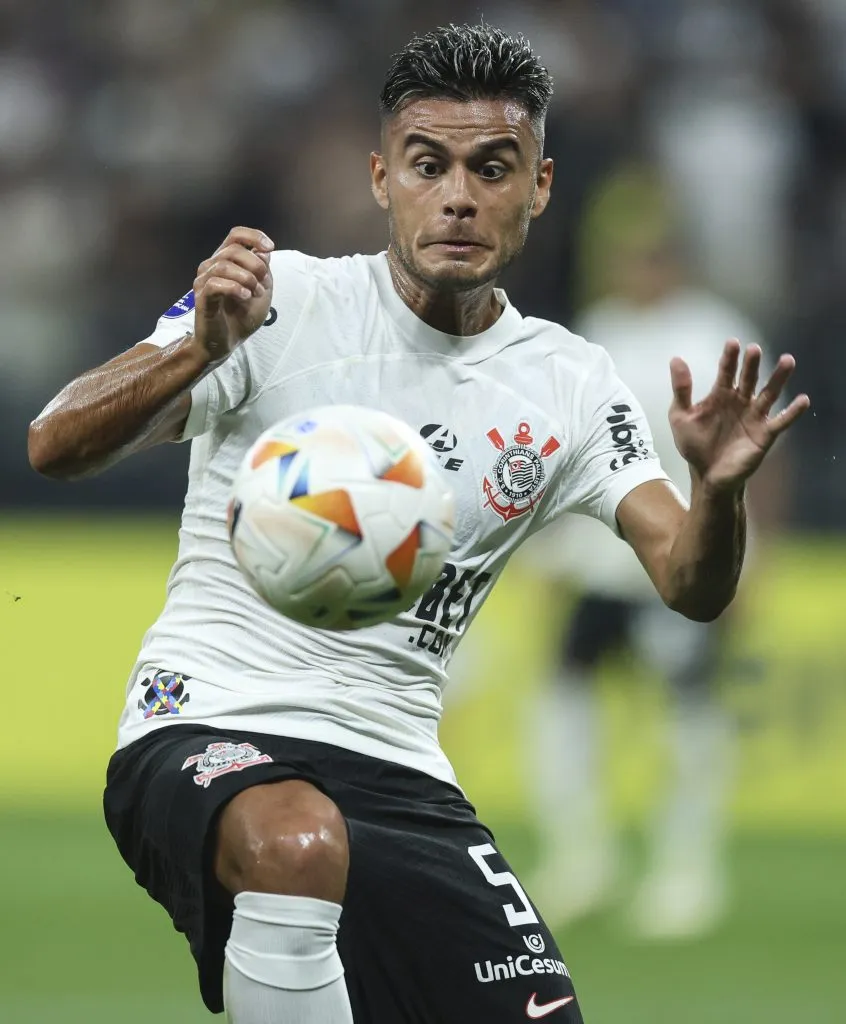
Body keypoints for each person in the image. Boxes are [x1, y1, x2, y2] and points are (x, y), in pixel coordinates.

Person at [28, 24, 808, 1024]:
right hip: (206, 722)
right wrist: (194, 354)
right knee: (295, 843)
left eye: (493, 168)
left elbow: (691, 586)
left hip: (395, 766)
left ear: (540, 187)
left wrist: (721, 490)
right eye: (428, 164)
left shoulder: (571, 382)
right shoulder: (283, 302)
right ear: (380, 178)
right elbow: (55, 443)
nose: (459, 196)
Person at [522, 193, 777, 939]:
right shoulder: (595, 333)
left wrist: (756, 557)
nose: (636, 267)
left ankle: (686, 871)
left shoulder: (715, 331)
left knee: (689, 719)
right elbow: (558, 450)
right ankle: (582, 857)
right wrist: (546, 548)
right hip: (600, 560)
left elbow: (759, 454)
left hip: (685, 557)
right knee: (566, 704)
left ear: (673, 257)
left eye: (649, 252)